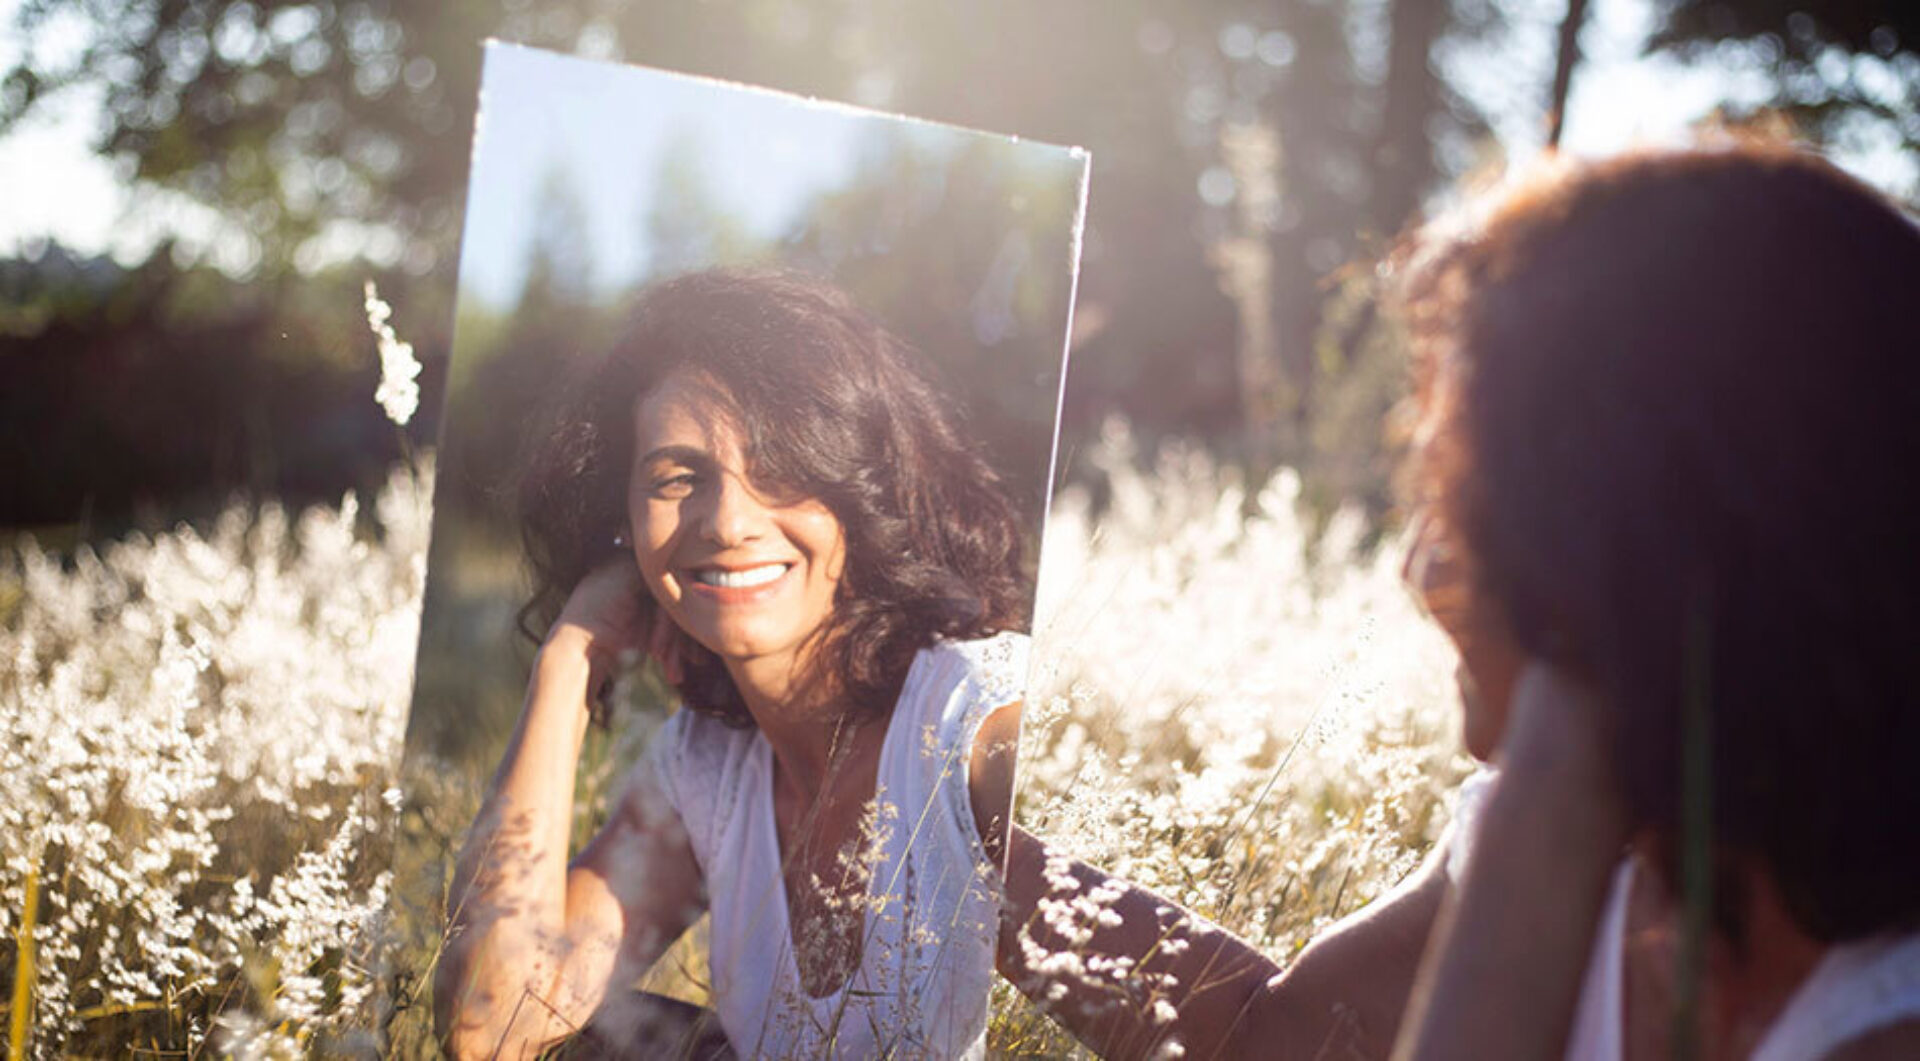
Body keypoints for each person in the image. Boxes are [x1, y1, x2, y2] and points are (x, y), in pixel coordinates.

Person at [999, 140, 1920, 1060]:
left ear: (1637, 535)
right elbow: (1271, 1040)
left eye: (1468, 502)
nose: (1417, 568)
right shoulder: (1595, 834)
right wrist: (969, 835)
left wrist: (1544, 815)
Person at [433, 268, 1034, 1059]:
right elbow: (493, 1019)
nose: (727, 521)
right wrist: (570, 656)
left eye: (781, 465)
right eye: (677, 478)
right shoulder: (708, 770)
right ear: (623, 518)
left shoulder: (979, 717)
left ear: (863, 488)